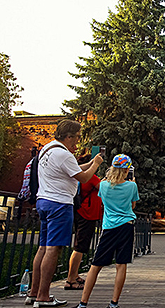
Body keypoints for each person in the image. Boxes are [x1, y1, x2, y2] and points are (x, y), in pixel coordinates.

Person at [26, 120, 103, 308]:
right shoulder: (64, 154)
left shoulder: (48, 149)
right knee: (54, 249)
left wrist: (89, 163)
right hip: (59, 204)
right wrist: (97, 164)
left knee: (43, 248)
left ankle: (33, 292)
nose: (77, 143)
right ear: (68, 136)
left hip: (43, 201)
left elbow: (74, 170)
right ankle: (43, 296)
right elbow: (84, 177)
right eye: (76, 138)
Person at [73, 154, 139, 308]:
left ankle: (83, 303)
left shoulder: (103, 185)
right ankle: (114, 303)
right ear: (127, 170)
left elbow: (104, 201)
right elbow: (133, 206)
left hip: (109, 227)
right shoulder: (132, 186)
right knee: (121, 264)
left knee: (96, 265)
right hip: (126, 226)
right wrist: (132, 183)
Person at [64, 154, 103, 290]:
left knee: (80, 245)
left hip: (81, 212)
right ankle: (70, 279)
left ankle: (74, 275)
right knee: (80, 247)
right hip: (87, 214)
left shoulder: (79, 178)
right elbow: (104, 189)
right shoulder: (90, 177)